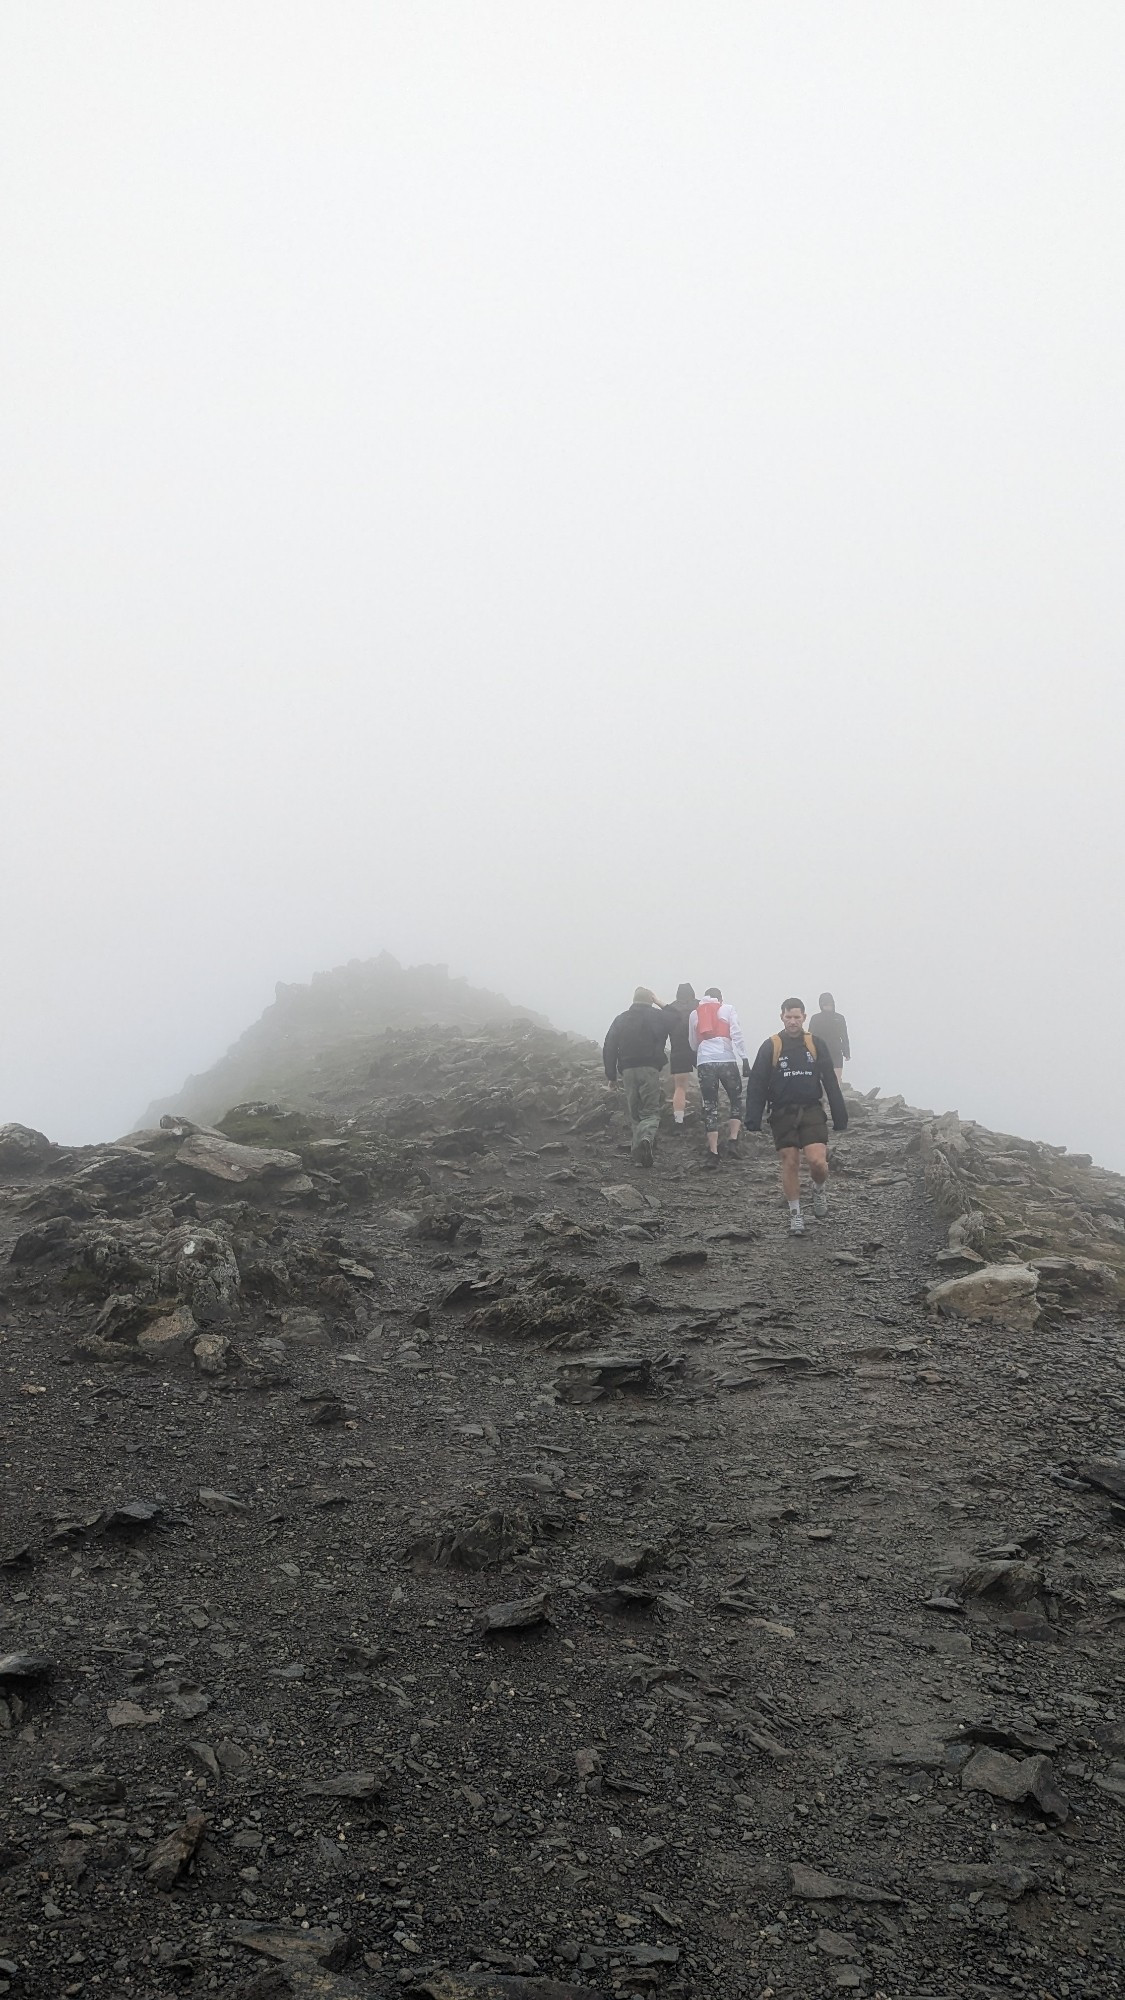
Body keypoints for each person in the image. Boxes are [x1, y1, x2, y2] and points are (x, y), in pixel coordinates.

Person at [744, 996, 848, 1232]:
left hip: (811, 1109)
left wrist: (840, 1116)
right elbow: (757, 1083)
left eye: (797, 1017)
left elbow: (830, 1081)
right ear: (781, 1016)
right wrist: (752, 1119)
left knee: (817, 1162)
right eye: (788, 1017)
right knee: (790, 1162)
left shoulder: (815, 1044)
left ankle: (818, 1190)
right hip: (782, 1113)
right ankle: (795, 1215)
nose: (792, 1021)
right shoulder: (771, 1045)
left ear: (804, 1017)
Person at [602, 987, 670, 1168]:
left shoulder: (621, 1019)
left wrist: (611, 1076)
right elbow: (676, 1017)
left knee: (635, 1114)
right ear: (650, 1000)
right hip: (650, 1068)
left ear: (633, 999)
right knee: (650, 1112)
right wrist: (660, 1003)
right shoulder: (658, 1016)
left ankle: (638, 1156)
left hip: (628, 1070)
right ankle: (646, 1138)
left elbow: (609, 1046)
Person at [688, 986, 749, 1170]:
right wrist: (744, 1058)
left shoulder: (694, 1013)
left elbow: (692, 1042)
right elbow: (736, 1033)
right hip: (726, 1060)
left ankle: (713, 1152)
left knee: (710, 1105)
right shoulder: (728, 1009)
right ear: (720, 998)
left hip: (705, 1062)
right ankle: (732, 1141)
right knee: (736, 1099)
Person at [663, 983, 697, 1126]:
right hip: (699, 1049)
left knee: (680, 1086)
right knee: (709, 1082)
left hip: (679, 1050)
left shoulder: (670, 1009)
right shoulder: (699, 1005)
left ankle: (678, 1119)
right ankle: (710, 1113)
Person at [808, 991, 851, 1083]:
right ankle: (822, 1096)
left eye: (830, 1004)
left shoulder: (839, 1018)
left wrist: (846, 1052)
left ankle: (836, 1096)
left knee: (836, 1079)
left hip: (836, 1052)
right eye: (825, 1004)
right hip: (820, 1051)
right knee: (820, 1078)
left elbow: (844, 1036)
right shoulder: (816, 1018)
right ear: (821, 1005)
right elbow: (810, 1036)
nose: (828, 1007)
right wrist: (808, 1052)